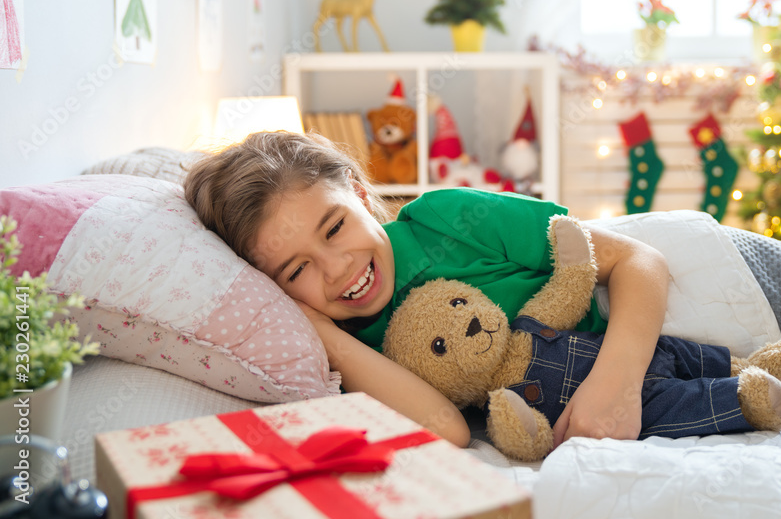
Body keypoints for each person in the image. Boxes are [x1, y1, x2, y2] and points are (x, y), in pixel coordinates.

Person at [184, 131, 670, 450]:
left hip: (650, 330)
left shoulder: (447, 217)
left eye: (334, 229)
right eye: (296, 271)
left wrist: (615, 386)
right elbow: (448, 430)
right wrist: (325, 337)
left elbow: (638, 260)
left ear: (357, 193)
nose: (337, 270)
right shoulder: (340, 344)